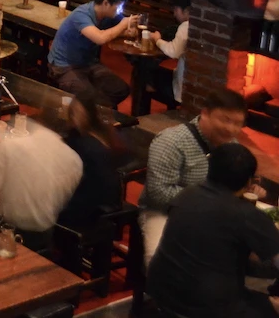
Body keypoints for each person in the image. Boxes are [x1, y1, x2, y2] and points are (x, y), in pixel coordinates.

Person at [148, 143, 279, 318]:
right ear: (249, 181)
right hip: (207, 308)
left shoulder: (187, 193)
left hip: (160, 291)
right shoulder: (247, 214)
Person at [139, 87, 248, 265]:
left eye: (238, 123)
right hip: (165, 213)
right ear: (205, 113)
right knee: (161, 260)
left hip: (213, 214)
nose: (231, 129)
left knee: (244, 252)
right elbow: (159, 194)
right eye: (225, 120)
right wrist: (208, 201)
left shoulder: (231, 146)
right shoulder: (171, 142)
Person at [0, 115, 83, 250]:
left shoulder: (10, 148)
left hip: (9, 233)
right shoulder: (74, 160)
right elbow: (62, 201)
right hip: (45, 236)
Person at [46, 0, 137, 107]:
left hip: (88, 63)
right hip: (64, 66)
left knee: (120, 89)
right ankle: (91, 114)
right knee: (89, 96)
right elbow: (100, 38)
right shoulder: (81, 14)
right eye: (119, 7)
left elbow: (118, 30)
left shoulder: (109, 14)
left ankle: (96, 113)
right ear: (106, 3)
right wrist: (122, 26)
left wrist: (128, 31)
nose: (121, 11)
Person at [58, 87, 125, 229]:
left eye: (75, 112)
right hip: (109, 201)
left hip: (88, 209)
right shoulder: (108, 135)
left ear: (85, 114)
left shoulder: (84, 144)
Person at [145, 0, 193, 110]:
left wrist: (157, 40)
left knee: (143, 75)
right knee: (155, 72)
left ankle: (141, 114)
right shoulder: (200, 25)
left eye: (176, 10)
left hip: (181, 90)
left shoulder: (186, 26)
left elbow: (173, 52)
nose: (174, 14)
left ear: (187, 10)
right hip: (191, 84)